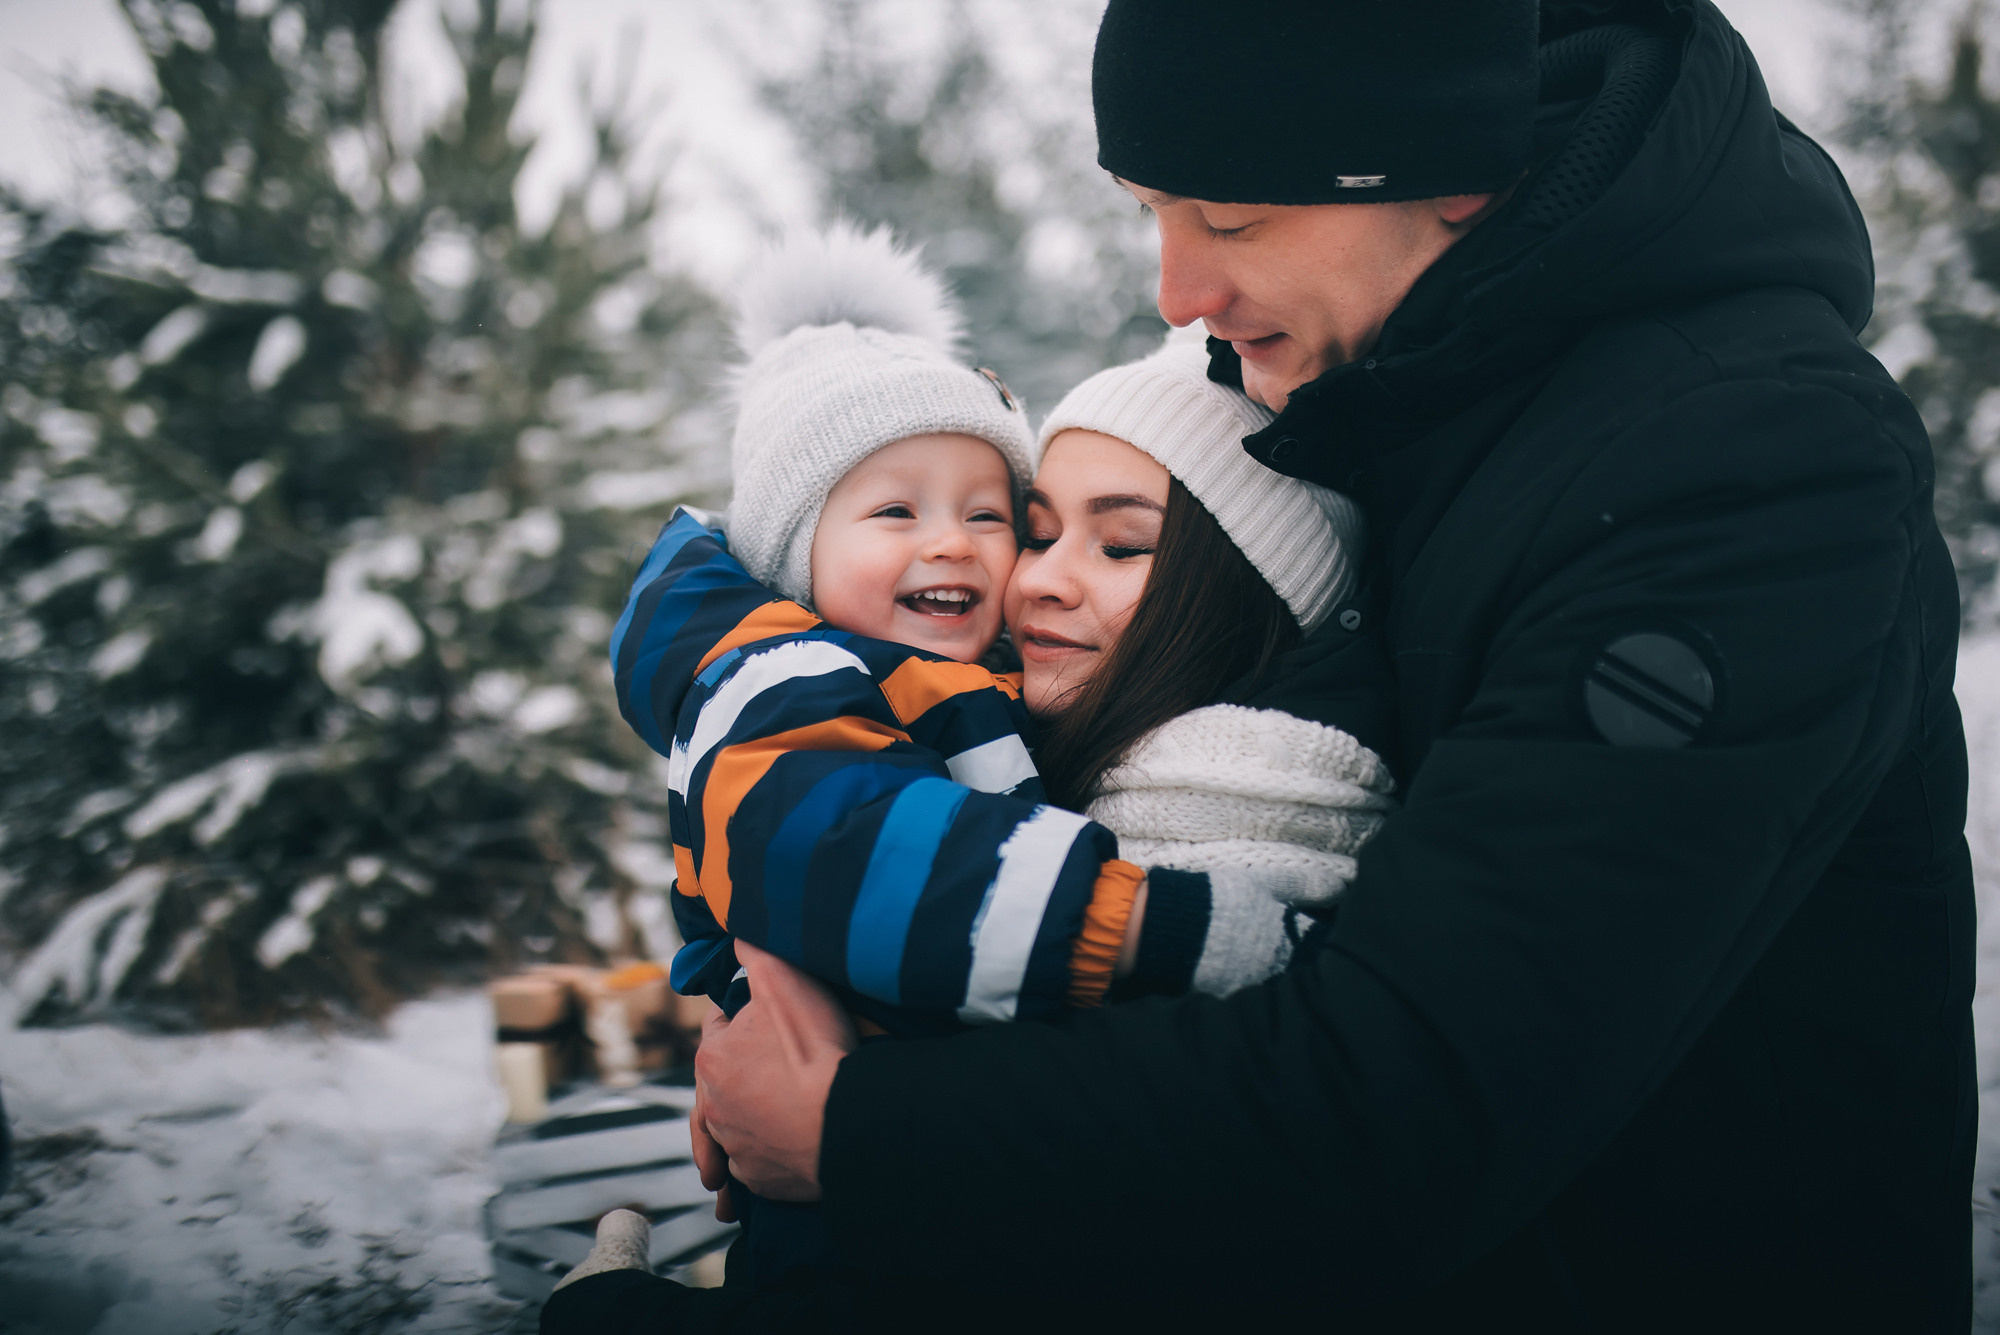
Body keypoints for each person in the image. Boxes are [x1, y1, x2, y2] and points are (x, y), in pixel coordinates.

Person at [680, 1, 1975, 1331]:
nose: (1178, 292)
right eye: (1152, 212)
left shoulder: (1744, 465)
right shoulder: (1389, 393)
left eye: (1232, 222)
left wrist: (854, 1128)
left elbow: (1411, 1094)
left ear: (1451, 176)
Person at [555, 232, 1392, 1318]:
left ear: (1240, 580)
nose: (1027, 577)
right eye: (1039, 533)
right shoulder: (794, 688)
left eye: (994, 519)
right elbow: (839, 852)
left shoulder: (1238, 802)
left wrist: (830, 1116)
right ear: (794, 551)